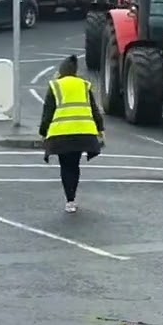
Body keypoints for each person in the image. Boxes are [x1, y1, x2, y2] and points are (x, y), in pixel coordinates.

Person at [38, 56, 104, 212]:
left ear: (61, 71)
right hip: (83, 132)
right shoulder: (84, 85)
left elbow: (48, 112)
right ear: (75, 71)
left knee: (65, 166)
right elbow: (94, 109)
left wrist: (43, 132)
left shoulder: (55, 86)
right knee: (74, 165)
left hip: (61, 134)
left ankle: (69, 200)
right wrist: (100, 129)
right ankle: (73, 198)